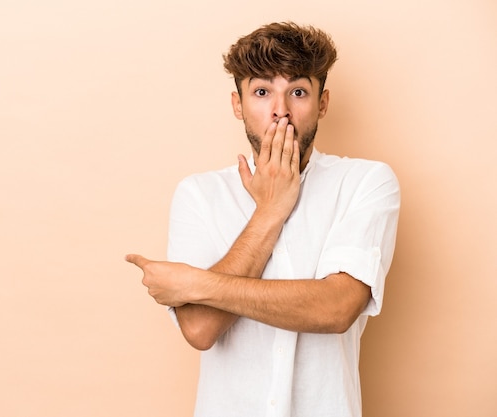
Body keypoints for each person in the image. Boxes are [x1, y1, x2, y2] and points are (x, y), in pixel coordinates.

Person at [126, 21, 400, 417]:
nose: (280, 111)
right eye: (261, 92)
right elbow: (201, 329)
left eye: (299, 92)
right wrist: (270, 211)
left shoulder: (365, 182)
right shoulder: (199, 194)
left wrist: (197, 283)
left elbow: (336, 309)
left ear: (322, 103)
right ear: (238, 104)